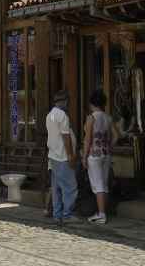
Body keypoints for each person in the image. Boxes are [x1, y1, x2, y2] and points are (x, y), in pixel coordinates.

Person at [82, 89, 118, 225]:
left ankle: (101, 214)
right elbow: (116, 135)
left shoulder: (91, 118)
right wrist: (109, 146)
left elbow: (87, 139)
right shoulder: (108, 117)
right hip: (106, 153)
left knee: (98, 184)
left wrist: (84, 156)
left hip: (94, 154)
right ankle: (103, 211)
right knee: (104, 183)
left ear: (92, 103)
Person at [46, 89, 79, 224]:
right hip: (63, 156)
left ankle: (57, 213)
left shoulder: (50, 115)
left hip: (53, 155)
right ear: (64, 101)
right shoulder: (63, 116)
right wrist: (70, 155)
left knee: (57, 187)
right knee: (70, 187)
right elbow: (66, 138)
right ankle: (67, 214)